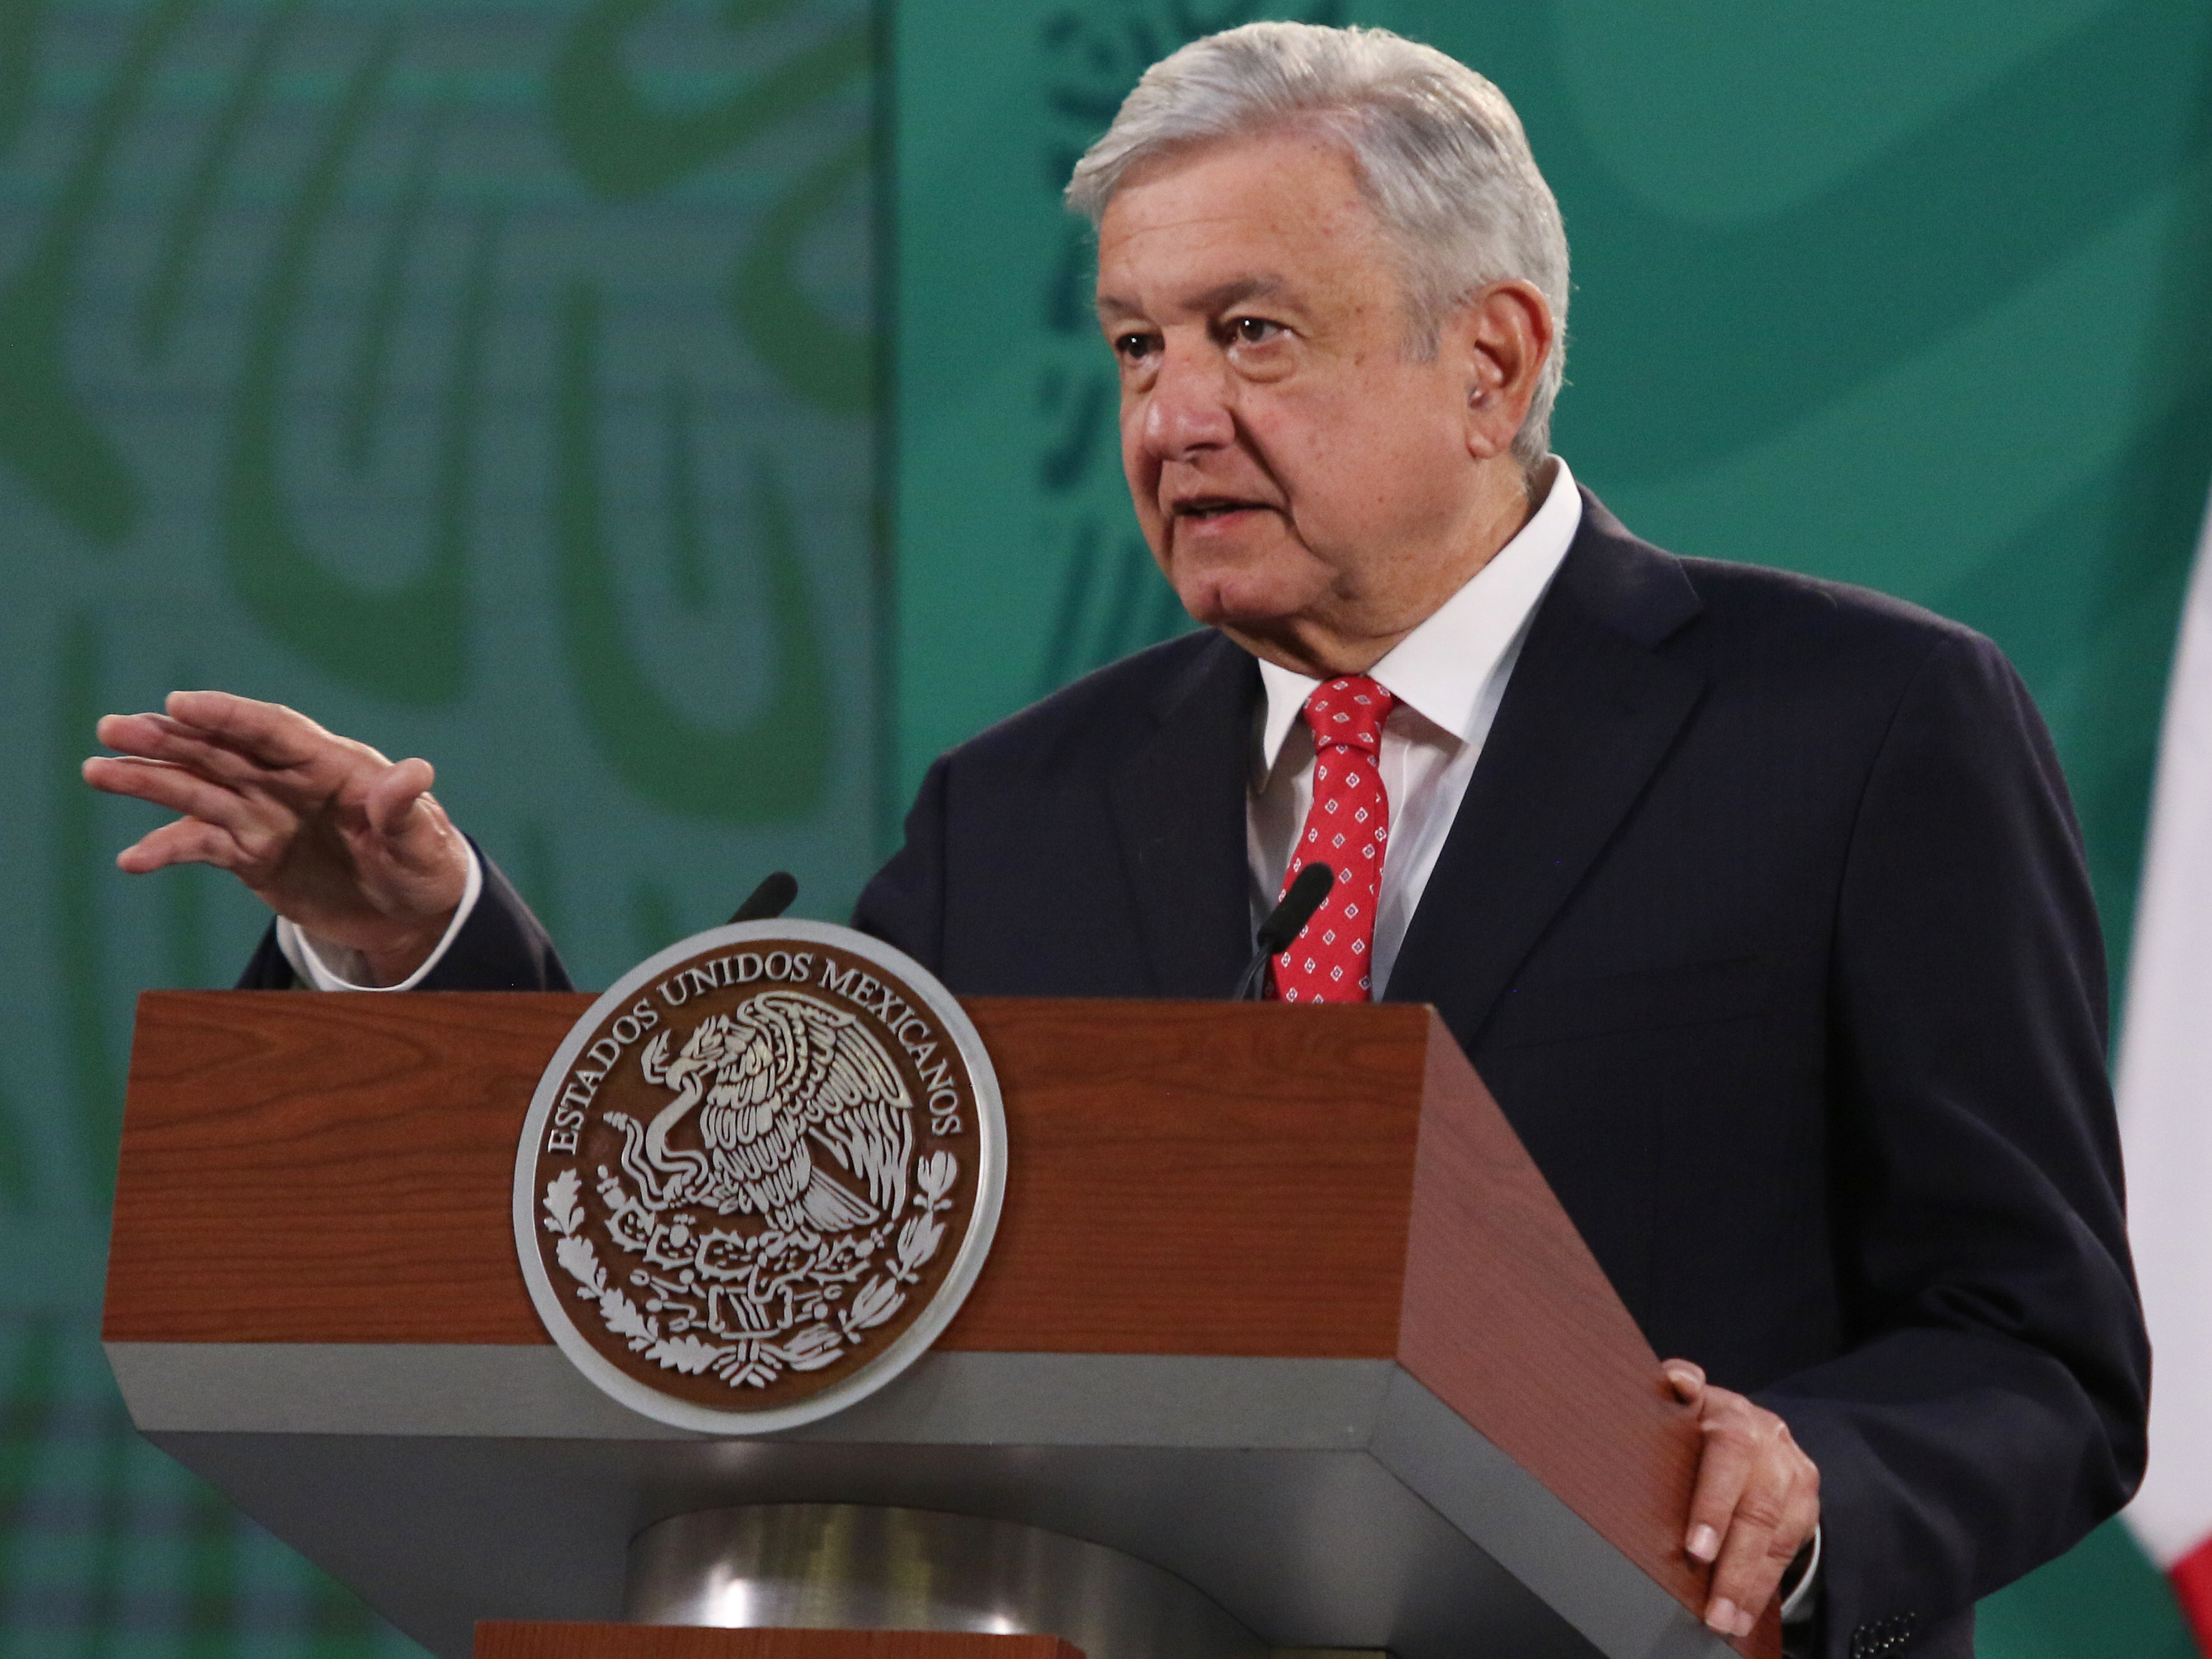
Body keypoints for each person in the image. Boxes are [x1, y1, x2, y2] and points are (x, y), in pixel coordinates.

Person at [85, 23, 2145, 1658]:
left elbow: (2040, 1350)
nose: (1169, 420)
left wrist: (1814, 1492)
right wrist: (414, 944)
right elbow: (761, 1254)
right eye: (1138, 343)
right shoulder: (1028, 806)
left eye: (1254, 332)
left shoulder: (1862, 724)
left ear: (1492, 357)